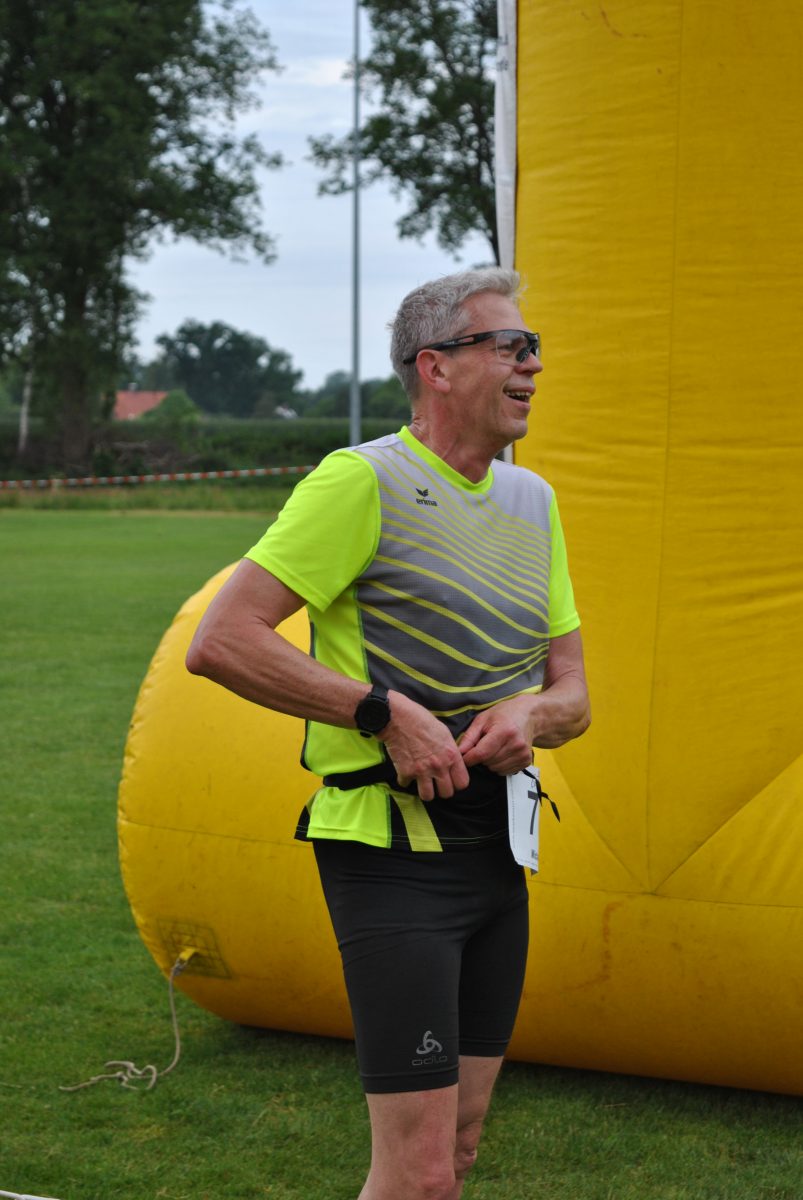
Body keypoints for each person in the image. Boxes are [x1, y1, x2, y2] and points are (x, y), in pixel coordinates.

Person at [186, 267, 590, 1200]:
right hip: (392, 856)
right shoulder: (362, 480)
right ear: (435, 366)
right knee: (419, 1177)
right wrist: (383, 711)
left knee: (459, 1151)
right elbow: (222, 641)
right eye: (510, 346)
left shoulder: (533, 502)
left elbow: (573, 694)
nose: (533, 365)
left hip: (498, 851)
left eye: (533, 347)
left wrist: (529, 714)